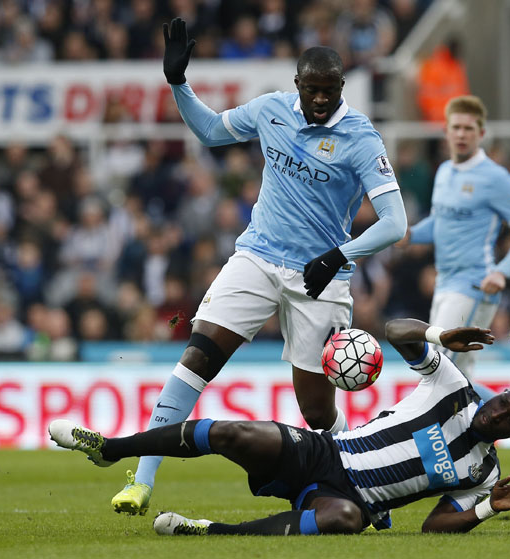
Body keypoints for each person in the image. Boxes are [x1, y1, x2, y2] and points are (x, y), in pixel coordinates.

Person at [106, 18, 407, 516]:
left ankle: (360, 481)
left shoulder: (361, 138)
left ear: (341, 88)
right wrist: (178, 83)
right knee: (198, 354)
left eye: (329, 91)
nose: (319, 100)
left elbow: (395, 223)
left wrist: (339, 254)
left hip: (321, 276)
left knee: (316, 411)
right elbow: (209, 130)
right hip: (258, 256)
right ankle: (141, 481)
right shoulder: (270, 110)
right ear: (297, 85)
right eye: (311, 90)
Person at [49, 317, 510, 535]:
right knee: (234, 434)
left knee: (343, 523)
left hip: (354, 502)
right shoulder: (452, 385)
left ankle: (207, 531)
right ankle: (110, 448)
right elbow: (396, 331)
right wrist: (439, 335)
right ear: (500, 393)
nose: (501, 412)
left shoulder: (482, 471)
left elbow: (434, 524)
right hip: (326, 453)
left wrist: (486, 508)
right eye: (506, 400)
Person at [403, 95, 510, 479]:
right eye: (456, 127)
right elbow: (440, 223)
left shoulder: (495, 178)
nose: (462, 134)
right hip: (447, 282)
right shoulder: (443, 173)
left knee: (439, 370)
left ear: (481, 133)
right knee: (457, 376)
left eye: (469, 128)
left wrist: (502, 270)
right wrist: (407, 234)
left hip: (473, 284)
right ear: (446, 131)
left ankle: (460, 453)